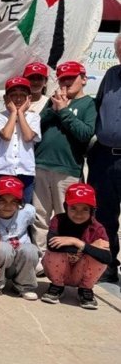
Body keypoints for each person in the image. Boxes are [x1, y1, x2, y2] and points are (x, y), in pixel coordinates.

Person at [33, 61, 96, 258]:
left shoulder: (88, 104)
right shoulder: (52, 101)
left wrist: (64, 111)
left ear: (83, 79)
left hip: (68, 169)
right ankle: (40, 258)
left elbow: (85, 133)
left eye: (71, 77)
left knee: (67, 216)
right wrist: (53, 108)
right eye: (63, 79)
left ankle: (63, 256)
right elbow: (36, 127)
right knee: (39, 216)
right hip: (41, 164)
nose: (66, 82)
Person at [41, 183, 110, 309]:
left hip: (82, 274)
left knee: (99, 257)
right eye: (73, 208)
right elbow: (51, 246)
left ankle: (85, 290)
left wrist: (77, 242)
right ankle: (57, 286)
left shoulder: (97, 228)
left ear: (92, 211)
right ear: (66, 207)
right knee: (54, 252)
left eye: (85, 209)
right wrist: (90, 248)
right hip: (60, 271)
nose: (79, 214)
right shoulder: (58, 220)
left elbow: (107, 258)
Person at [88, 36, 121, 283]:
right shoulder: (111, 75)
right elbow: (97, 108)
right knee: (105, 214)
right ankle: (109, 264)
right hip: (104, 157)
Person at [0, 77, 41, 205]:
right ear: (6, 98)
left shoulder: (34, 117)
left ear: (29, 98)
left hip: (24, 171)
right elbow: (6, 135)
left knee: (23, 207)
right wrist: (13, 113)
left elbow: (28, 137)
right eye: (13, 95)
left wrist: (21, 113)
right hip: (1, 170)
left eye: (22, 95)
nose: (18, 99)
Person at [0, 177, 39, 300]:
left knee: (30, 249)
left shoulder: (28, 211)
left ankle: (24, 285)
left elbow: (33, 229)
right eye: (2, 201)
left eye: (13, 201)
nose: (8, 206)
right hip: (0, 259)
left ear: (20, 202)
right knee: (3, 247)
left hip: (21, 260)